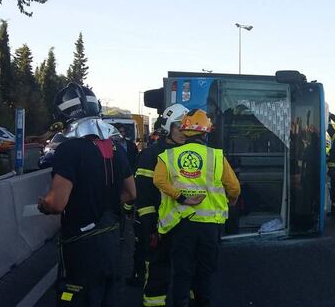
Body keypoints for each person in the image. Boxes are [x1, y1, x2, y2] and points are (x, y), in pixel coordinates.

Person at [37, 82, 136, 306]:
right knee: (107, 297)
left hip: (81, 245)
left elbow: (57, 204)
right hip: (111, 240)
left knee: (75, 297)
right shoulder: (115, 149)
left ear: (64, 116)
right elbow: (131, 193)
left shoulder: (68, 150)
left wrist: (43, 205)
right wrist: (104, 199)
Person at [153, 108, 241, 307]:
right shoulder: (217, 156)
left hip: (180, 224)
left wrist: (182, 198)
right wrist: (232, 200)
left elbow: (158, 180)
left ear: (184, 130)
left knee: (182, 272)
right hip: (209, 227)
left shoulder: (168, 155)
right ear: (206, 132)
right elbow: (234, 187)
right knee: (205, 272)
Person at [127, 104, 189, 307]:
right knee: (156, 274)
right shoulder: (150, 155)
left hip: (188, 226)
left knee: (189, 275)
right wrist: (150, 228)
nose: (184, 132)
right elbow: (143, 197)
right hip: (160, 227)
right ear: (169, 128)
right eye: (180, 127)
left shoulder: (194, 154)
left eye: (187, 127)